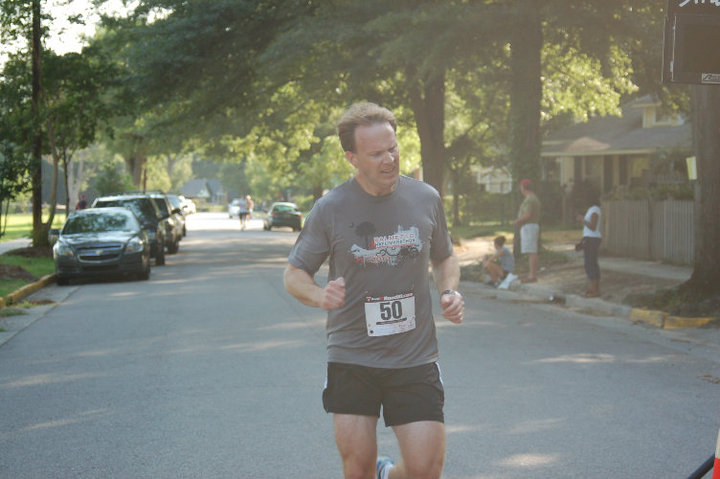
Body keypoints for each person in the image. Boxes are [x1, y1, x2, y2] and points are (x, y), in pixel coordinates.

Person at [283, 102, 464, 479]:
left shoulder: (425, 198)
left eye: (393, 148)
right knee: (357, 468)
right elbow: (294, 273)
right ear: (352, 158)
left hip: (414, 357)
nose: (390, 159)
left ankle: (388, 475)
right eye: (376, 153)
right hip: (353, 356)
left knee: (425, 470)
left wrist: (449, 291)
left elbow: (444, 256)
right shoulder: (331, 208)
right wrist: (319, 295)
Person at [513, 179, 541, 283]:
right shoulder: (533, 198)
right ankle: (532, 274)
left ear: (523, 188)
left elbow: (527, 214)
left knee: (531, 252)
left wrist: (518, 221)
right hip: (531, 226)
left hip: (529, 226)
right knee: (531, 251)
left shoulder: (529, 199)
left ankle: (532, 275)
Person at [576, 199, 602, 297]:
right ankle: (592, 288)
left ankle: (594, 290)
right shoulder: (591, 209)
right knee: (590, 264)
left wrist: (582, 220)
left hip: (592, 239)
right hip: (589, 238)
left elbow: (593, 227)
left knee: (591, 264)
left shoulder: (594, 209)